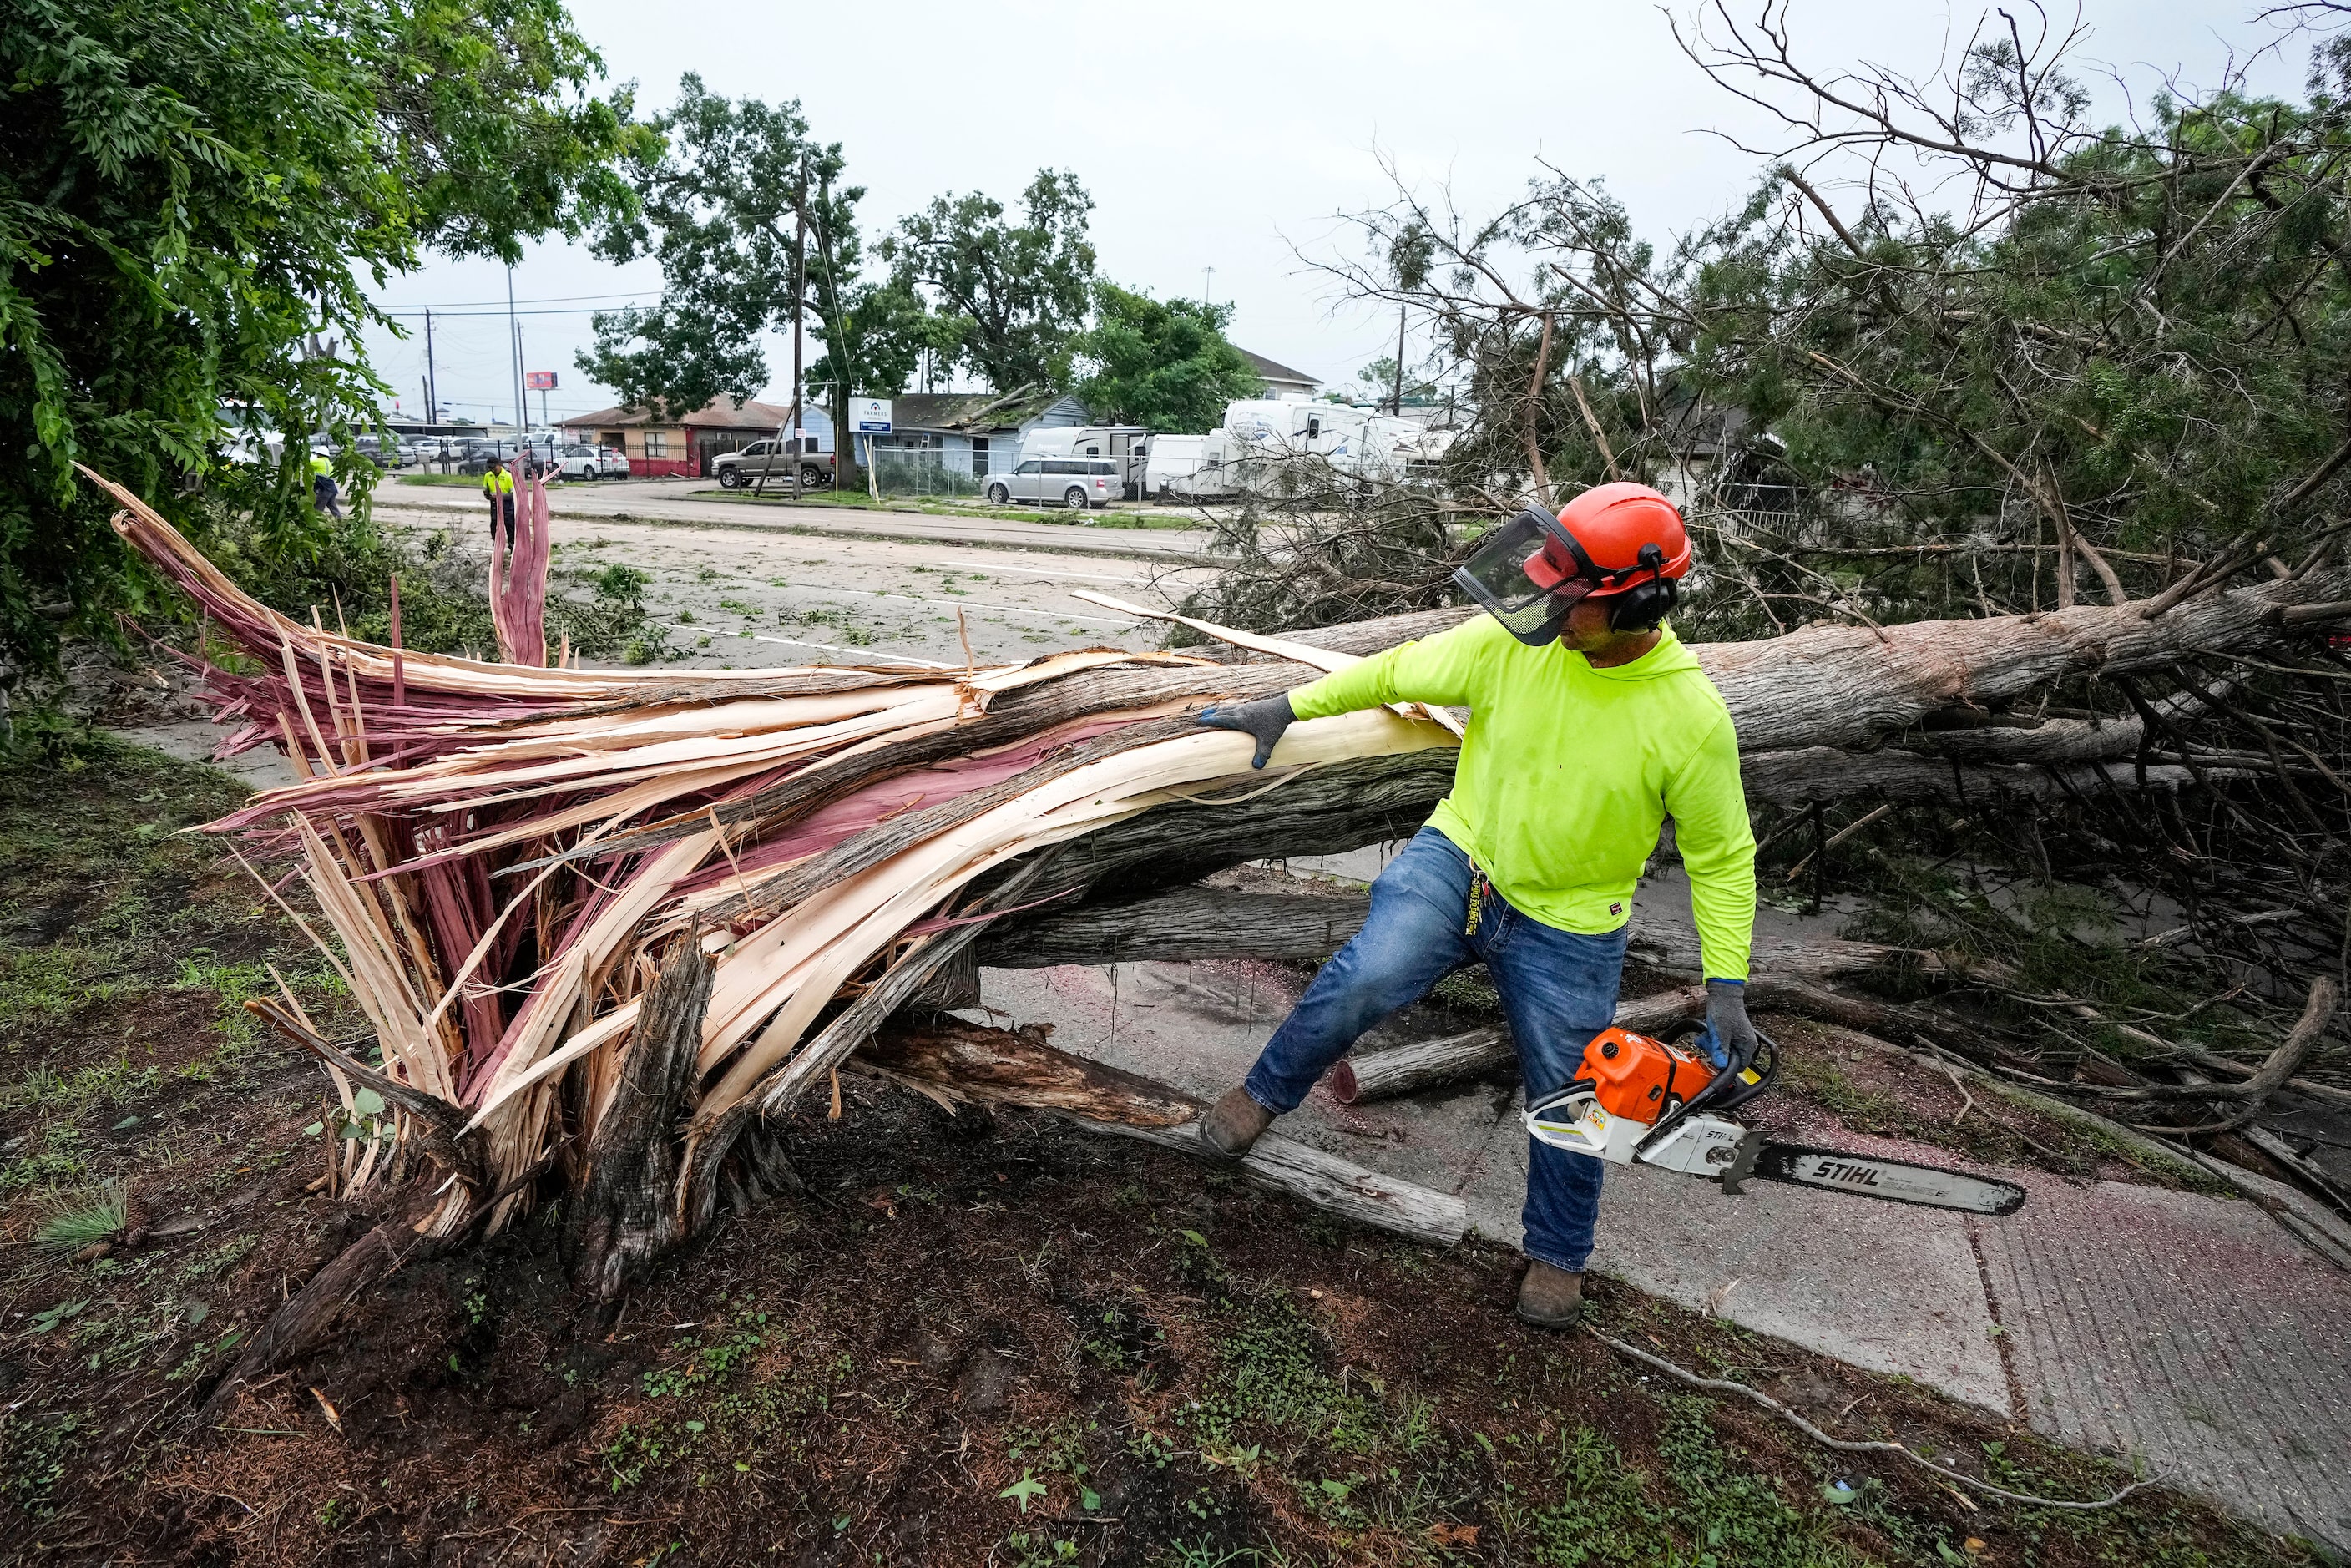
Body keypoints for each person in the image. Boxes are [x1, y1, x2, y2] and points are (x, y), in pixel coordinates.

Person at [1194, 483, 1757, 1329]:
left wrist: (1726, 986)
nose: (1551, 609)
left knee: (1570, 1096)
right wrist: (1287, 705)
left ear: (1639, 602)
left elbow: (1721, 858)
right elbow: (1401, 667)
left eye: (1572, 600)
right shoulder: (1515, 647)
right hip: (1462, 857)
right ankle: (1261, 1095)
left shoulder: (1688, 717)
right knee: (1365, 975)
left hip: (1570, 920)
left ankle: (1558, 1257)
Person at [483, 454, 516, 548]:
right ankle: (497, 543)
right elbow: (486, 491)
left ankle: (512, 546)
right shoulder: (488, 476)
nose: (492, 470)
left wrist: (500, 496)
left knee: (510, 526)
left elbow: (513, 494)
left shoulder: (508, 476)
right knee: (494, 525)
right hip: (495, 504)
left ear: (499, 465)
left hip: (507, 505)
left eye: (494, 468)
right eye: (490, 468)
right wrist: (489, 496)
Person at [309, 452, 341, 519]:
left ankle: (315, 522)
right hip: (332, 490)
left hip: (326, 490)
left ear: (320, 454)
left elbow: (307, 463)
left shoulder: (319, 461)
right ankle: (339, 520)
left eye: (317, 454)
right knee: (332, 506)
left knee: (318, 507)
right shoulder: (328, 462)